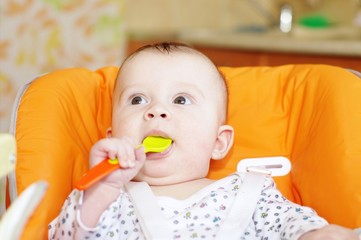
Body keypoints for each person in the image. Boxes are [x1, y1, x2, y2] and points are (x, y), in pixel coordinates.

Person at [48, 42, 359, 239]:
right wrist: (101, 188)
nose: (156, 111)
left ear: (219, 143)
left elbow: (291, 224)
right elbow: (66, 236)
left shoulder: (250, 191)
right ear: (113, 138)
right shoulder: (107, 201)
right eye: (138, 99)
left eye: (181, 100)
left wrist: (317, 234)